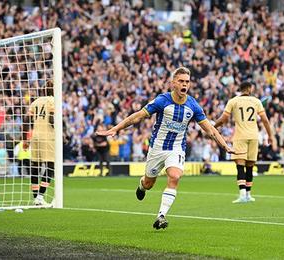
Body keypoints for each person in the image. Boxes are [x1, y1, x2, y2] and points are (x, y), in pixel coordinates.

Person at [97, 67, 239, 229]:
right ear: (173, 83)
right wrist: (116, 128)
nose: (184, 84)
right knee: (149, 183)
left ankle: (161, 215)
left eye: (187, 81)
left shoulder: (193, 105)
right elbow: (137, 116)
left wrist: (225, 146)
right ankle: (142, 185)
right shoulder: (162, 101)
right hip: (157, 148)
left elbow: (210, 129)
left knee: (175, 176)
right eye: (181, 81)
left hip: (177, 148)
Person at [214, 81, 273, 203]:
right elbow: (265, 120)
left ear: (240, 90)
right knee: (250, 166)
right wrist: (270, 135)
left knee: (240, 166)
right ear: (250, 89)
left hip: (240, 136)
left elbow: (224, 119)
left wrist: (214, 126)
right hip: (254, 136)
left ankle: (242, 195)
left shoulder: (233, 101)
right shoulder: (256, 101)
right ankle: (248, 195)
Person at [24, 80, 55, 206]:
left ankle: (36, 197)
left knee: (35, 167)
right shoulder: (53, 101)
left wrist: (25, 139)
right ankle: (41, 196)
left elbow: (26, 120)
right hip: (48, 136)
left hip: (35, 136)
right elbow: (52, 119)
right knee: (50, 166)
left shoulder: (36, 102)